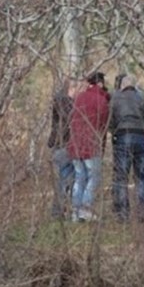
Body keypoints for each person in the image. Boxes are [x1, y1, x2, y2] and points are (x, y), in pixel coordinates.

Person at [67, 71, 110, 222]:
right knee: (94, 177)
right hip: (91, 145)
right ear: (100, 84)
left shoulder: (79, 98)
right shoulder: (102, 100)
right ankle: (86, 208)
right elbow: (104, 126)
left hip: (75, 145)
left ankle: (75, 211)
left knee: (79, 178)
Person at [109, 75, 144, 222]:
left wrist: (113, 133)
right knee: (141, 176)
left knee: (121, 176)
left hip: (123, 136)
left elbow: (111, 118)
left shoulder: (115, 98)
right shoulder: (141, 98)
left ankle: (123, 213)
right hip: (141, 137)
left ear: (122, 85)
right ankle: (140, 210)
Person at [46, 80, 74, 219]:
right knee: (64, 180)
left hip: (65, 144)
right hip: (63, 144)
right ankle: (58, 211)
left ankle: (62, 210)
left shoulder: (63, 101)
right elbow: (69, 118)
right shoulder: (62, 101)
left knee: (68, 180)